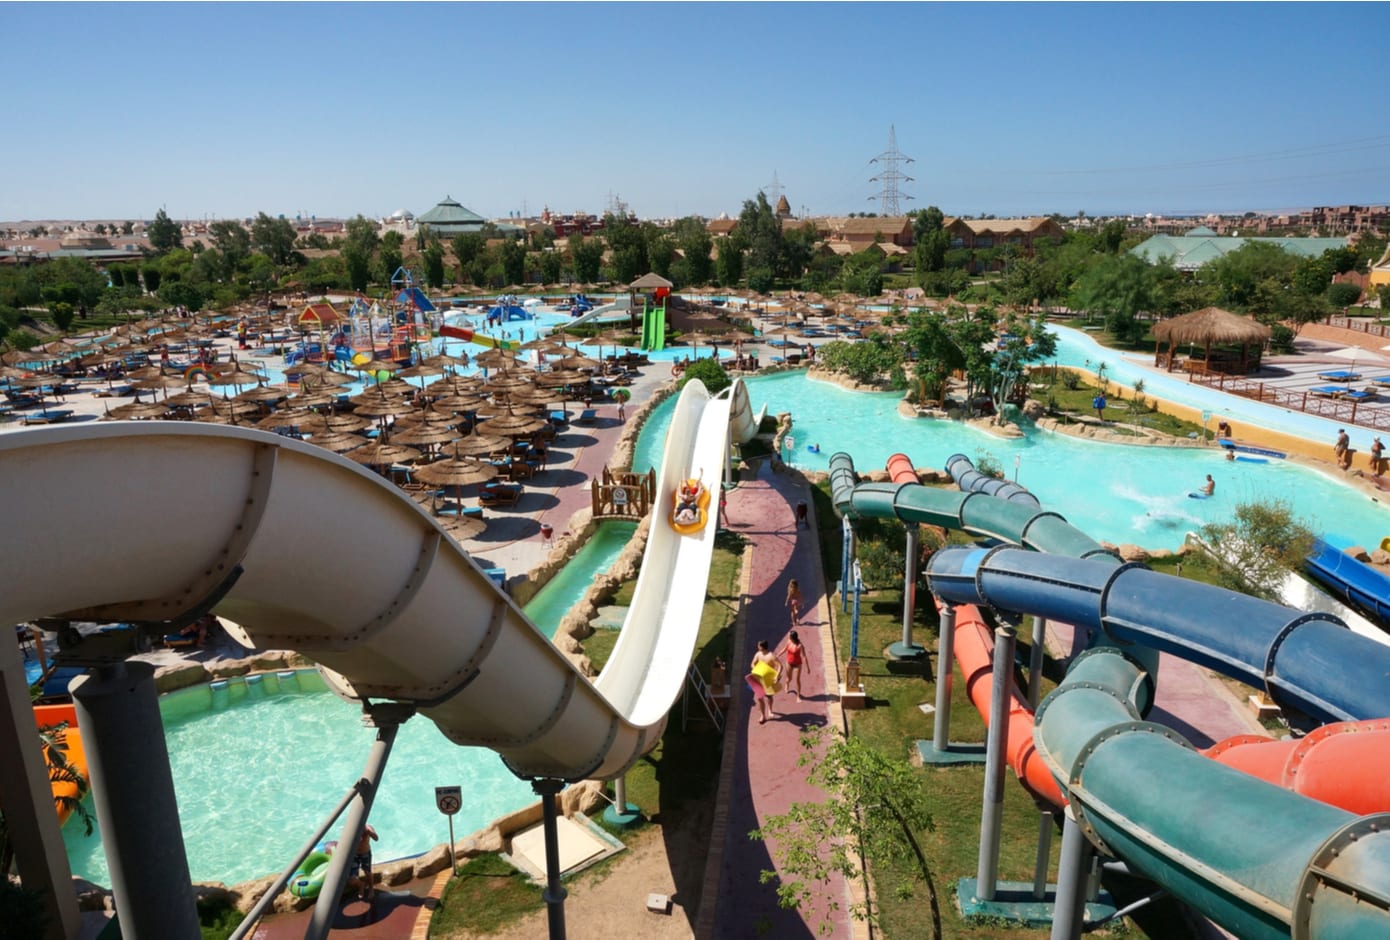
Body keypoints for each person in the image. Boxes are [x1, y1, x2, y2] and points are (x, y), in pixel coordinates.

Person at [750, 640, 783, 724]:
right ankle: (762, 715)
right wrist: (756, 669)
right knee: (759, 698)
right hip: (759, 679)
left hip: (768, 679)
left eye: (758, 645)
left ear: (761, 646)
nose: (757, 647)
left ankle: (770, 709)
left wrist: (776, 676)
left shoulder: (771, 656)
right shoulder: (758, 654)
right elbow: (752, 664)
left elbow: (780, 666)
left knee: (769, 697)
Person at [347, 823, 378, 900]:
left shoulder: (367, 828)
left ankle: (371, 889)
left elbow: (376, 838)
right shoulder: (351, 828)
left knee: (367, 872)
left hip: (365, 854)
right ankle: (361, 885)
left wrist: (370, 833)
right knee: (351, 879)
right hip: (354, 855)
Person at [784, 630, 809, 699]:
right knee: (789, 679)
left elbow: (804, 656)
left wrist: (807, 667)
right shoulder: (789, 642)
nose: (787, 636)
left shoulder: (800, 646)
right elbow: (785, 649)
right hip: (789, 663)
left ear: (792, 638)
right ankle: (787, 684)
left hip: (797, 664)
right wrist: (779, 654)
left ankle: (798, 696)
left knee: (797, 680)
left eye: (789, 636)